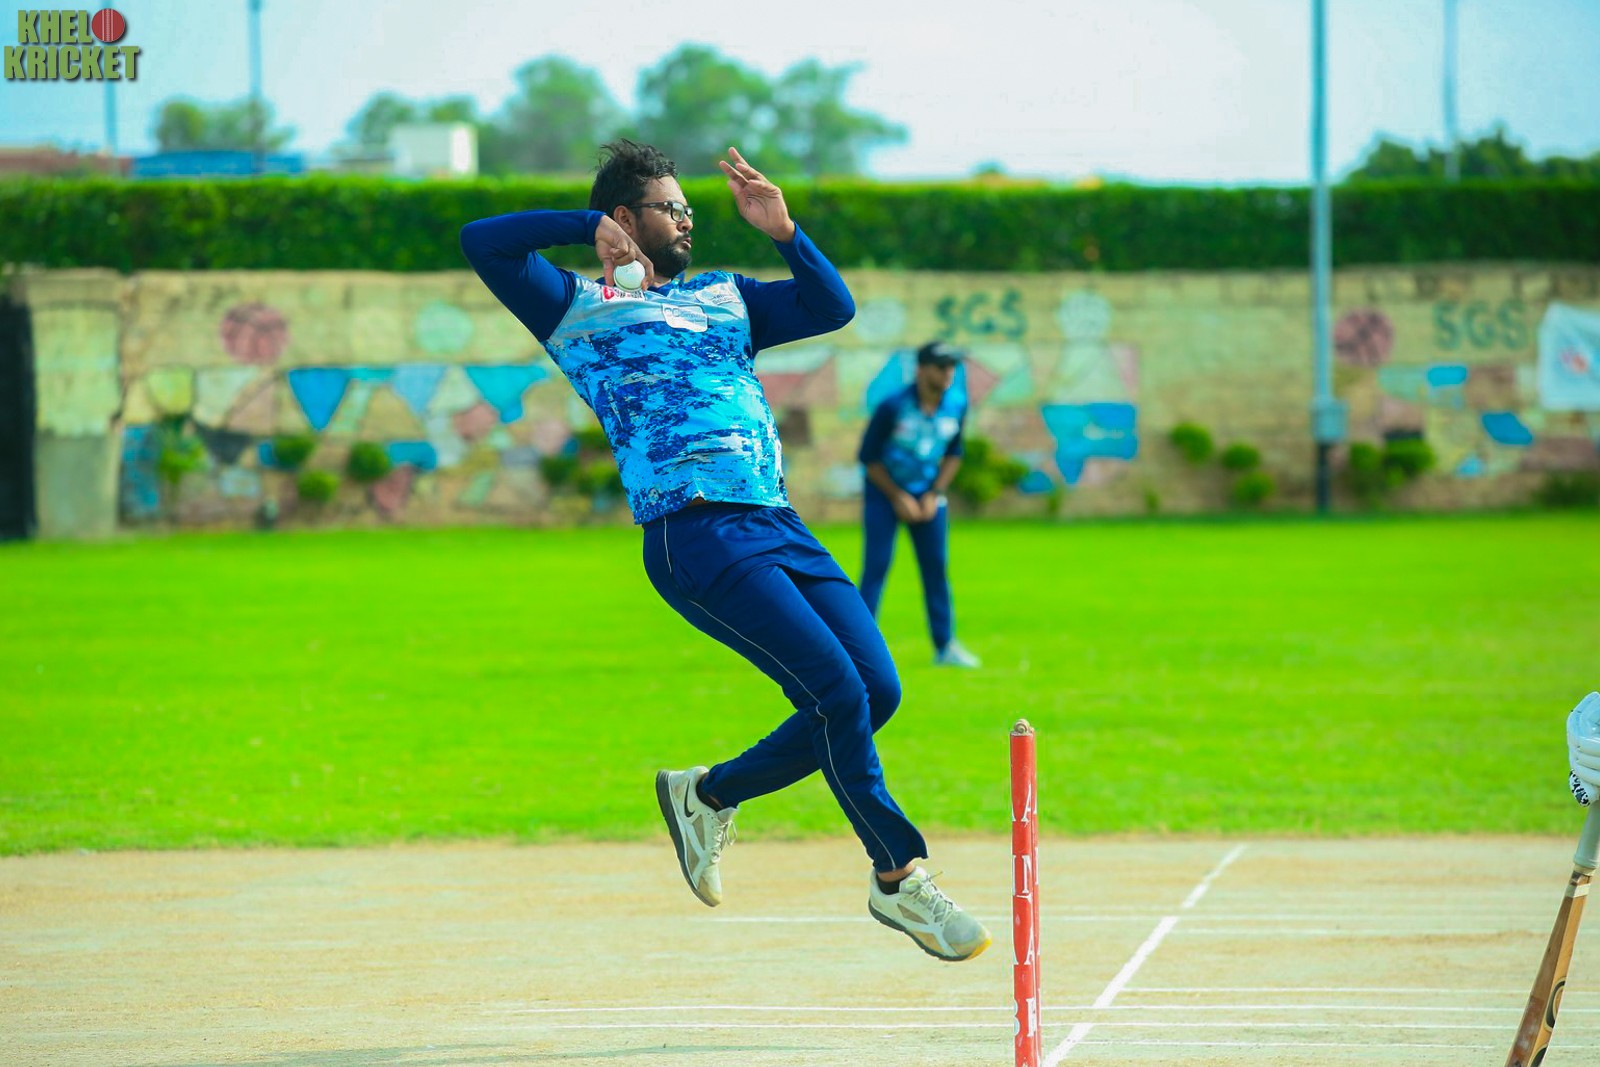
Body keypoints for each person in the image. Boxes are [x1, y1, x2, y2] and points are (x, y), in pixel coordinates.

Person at [459, 140, 990, 962]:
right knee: (837, 693)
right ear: (625, 216)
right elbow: (481, 240)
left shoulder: (728, 296)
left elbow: (832, 306)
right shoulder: (572, 304)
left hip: (780, 523)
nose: (687, 220)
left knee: (876, 690)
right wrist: (583, 225)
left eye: (690, 210)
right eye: (672, 208)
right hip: (695, 531)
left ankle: (707, 794)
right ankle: (898, 875)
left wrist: (784, 231)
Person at [857, 341, 981, 668]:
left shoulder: (956, 404)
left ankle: (945, 646)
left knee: (936, 568)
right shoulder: (893, 406)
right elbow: (868, 457)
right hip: (885, 495)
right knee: (876, 567)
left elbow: (954, 453)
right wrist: (898, 497)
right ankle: (859, 648)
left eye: (952, 366)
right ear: (922, 369)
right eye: (941, 366)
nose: (948, 373)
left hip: (928, 496)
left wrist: (934, 493)